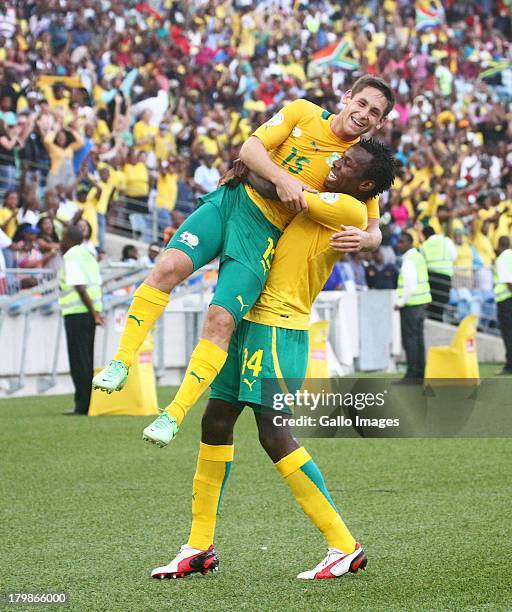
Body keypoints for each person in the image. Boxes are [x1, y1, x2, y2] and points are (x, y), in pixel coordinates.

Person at [93, 76, 395, 447]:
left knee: (221, 318)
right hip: (233, 200)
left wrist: (367, 238)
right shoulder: (303, 112)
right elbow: (250, 150)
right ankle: (121, 361)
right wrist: (282, 179)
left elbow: (373, 225)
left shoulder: (359, 165)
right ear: (347, 97)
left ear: (380, 123)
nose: (364, 114)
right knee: (168, 267)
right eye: (361, 103)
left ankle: (173, 415)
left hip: (264, 234)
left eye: (374, 113)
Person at [150, 138, 396, 580]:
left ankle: (343, 545)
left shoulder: (351, 210)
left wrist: (249, 166)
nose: (336, 165)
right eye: (340, 158)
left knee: (273, 433)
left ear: (367, 185)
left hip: (279, 329)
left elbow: (285, 190)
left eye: (347, 164)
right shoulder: (342, 199)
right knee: (216, 421)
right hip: (250, 321)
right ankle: (199, 546)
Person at [59, 225, 104, 415]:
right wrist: (96, 313)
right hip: (90, 312)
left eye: (62, 237)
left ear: (68, 239)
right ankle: (89, 402)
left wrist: (93, 313)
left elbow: (79, 286)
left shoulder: (71, 256)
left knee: (79, 361)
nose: (60, 241)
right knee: (87, 359)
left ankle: (82, 405)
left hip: (77, 313)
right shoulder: (88, 256)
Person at [395, 232, 432, 382]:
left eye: (402, 242)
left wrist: (400, 302)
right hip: (421, 304)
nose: (399, 245)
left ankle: (412, 375)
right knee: (418, 339)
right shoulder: (418, 256)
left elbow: (410, 284)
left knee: (410, 340)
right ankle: (419, 372)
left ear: (410, 243)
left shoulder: (409, 260)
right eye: (398, 241)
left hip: (411, 305)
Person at [420, 225, 456, 321]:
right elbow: (454, 256)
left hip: (431, 276)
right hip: (445, 276)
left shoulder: (424, 245)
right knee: (442, 303)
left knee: (433, 304)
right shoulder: (446, 241)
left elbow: (422, 261)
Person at [494, 236, 512, 375]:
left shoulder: (501, 259)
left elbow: (508, 281)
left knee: (508, 333)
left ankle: (510, 365)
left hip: (506, 300)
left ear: (499, 246)